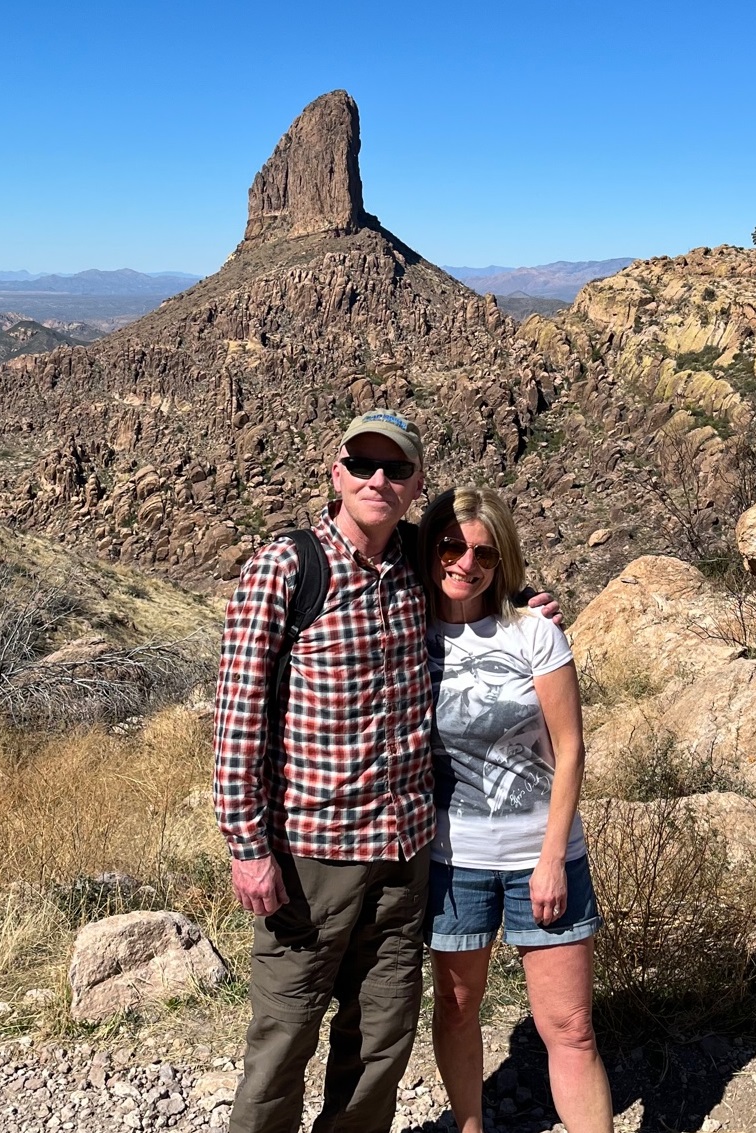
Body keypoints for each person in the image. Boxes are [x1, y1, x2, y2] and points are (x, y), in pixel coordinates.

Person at [213, 411, 557, 1133]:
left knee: (381, 1038)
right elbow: (239, 717)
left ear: (415, 484)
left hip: (404, 852)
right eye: (362, 465)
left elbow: (475, 580)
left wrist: (526, 605)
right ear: (335, 473)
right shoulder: (287, 567)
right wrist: (248, 848)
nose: (378, 480)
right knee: (284, 1035)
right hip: (312, 851)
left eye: (395, 469)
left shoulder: (416, 560)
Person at [418, 487, 613, 1133]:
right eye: (451, 546)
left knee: (570, 1027)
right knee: (455, 1010)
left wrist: (552, 859)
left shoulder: (533, 631)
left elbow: (570, 747)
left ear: (503, 559)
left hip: (542, 855)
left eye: (484, 552)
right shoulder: (408, 633)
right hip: (453, 863)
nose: (465, 563)